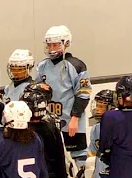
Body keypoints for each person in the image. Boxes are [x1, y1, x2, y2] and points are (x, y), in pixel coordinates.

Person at [36, 25, 92, 164]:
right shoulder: (42, 66)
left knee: (76, 159)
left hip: (70, 123)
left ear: (66, 43)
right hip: (49, 123)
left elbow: (83, 93)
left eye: (55, 45)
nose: (52, 48)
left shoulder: (76, 65)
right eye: (49, 45)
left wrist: (75, 118)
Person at [0, 49, 35, 122]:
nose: (15, 72)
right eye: (13, 68)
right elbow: (5, 117)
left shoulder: (33, 89)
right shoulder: (8, 88)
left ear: (28, 68)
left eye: (19, 69)